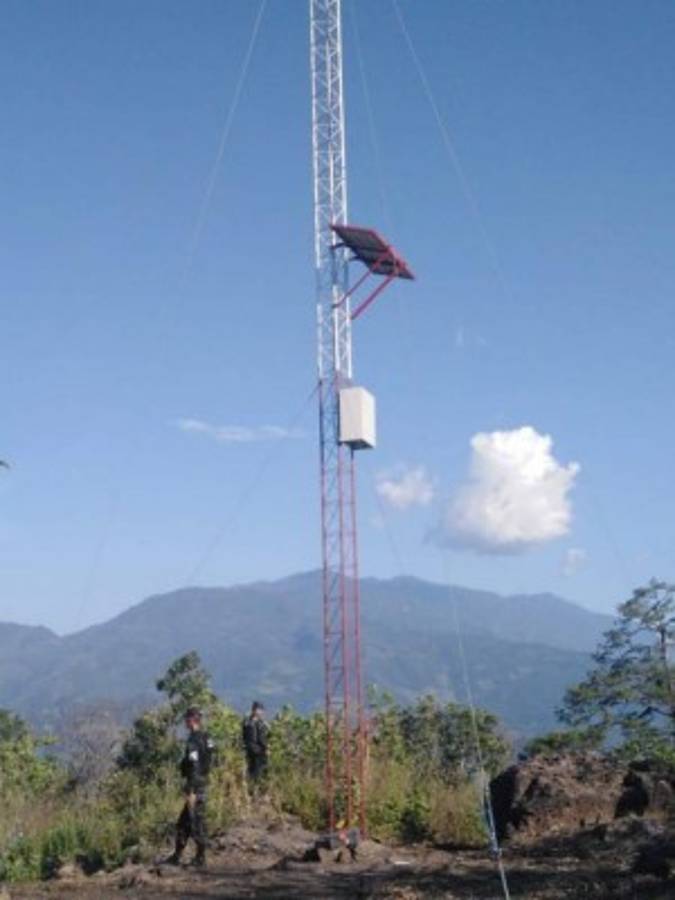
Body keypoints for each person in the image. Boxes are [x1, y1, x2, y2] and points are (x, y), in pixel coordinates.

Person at [166, 707, 215, 868]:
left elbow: (193, 764)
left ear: (192, 720)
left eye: (187, 719)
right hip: (203, 782)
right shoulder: (207, 737)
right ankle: (177, 855)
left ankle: (201, 858)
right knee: (184, 822)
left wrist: (192, 789)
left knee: (196, 821)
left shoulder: (193, 741)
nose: (185, 722)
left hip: (195, 786)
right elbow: (213, 756)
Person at [242, 701, 269, 790]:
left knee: (251, 772)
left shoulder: (246, 722)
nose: (262, 713)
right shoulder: (260, 723)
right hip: (258, 752)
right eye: (260, 710)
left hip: (249, 751)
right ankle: (256, 791)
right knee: (258, 773)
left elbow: (244, 737)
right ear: (256, 710)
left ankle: (252, 790)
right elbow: (261, 738)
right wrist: (266, 748)